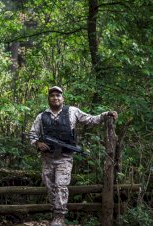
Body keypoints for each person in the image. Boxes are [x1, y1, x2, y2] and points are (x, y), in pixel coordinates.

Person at [28, 86, 117, 226]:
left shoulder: (72, 111)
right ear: (48, 99)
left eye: (58, 95)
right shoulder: (41, 116)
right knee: (49, 186)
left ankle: (59, 216)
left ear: (62, 98)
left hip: (64, 157)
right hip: (47, 158)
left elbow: (91, 120)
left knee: (61, 186)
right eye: (52, 96)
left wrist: (106, 115)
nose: (55, 98)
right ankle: (55, 211)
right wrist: (38, 143)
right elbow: (32, 134)